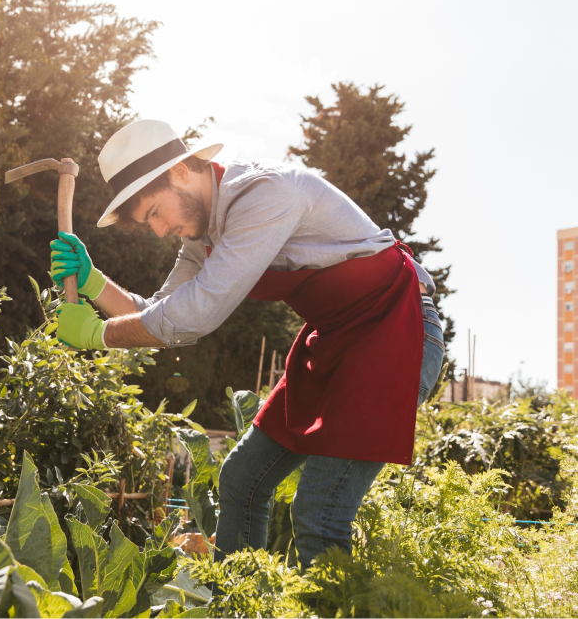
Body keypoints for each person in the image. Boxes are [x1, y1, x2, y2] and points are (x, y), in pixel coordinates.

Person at [50, 119, 445, 569]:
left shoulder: (265, 195)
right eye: (149, 223)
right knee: (242, 479)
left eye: (156, 212)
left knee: (319, 511)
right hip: (335, 340)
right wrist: (93, 281)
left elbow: (195, 315)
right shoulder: (203, 235)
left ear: (181, 171)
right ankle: (239, 602)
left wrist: (96, 335)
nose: (159, 230)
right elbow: (159, 312)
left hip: (394, 330)